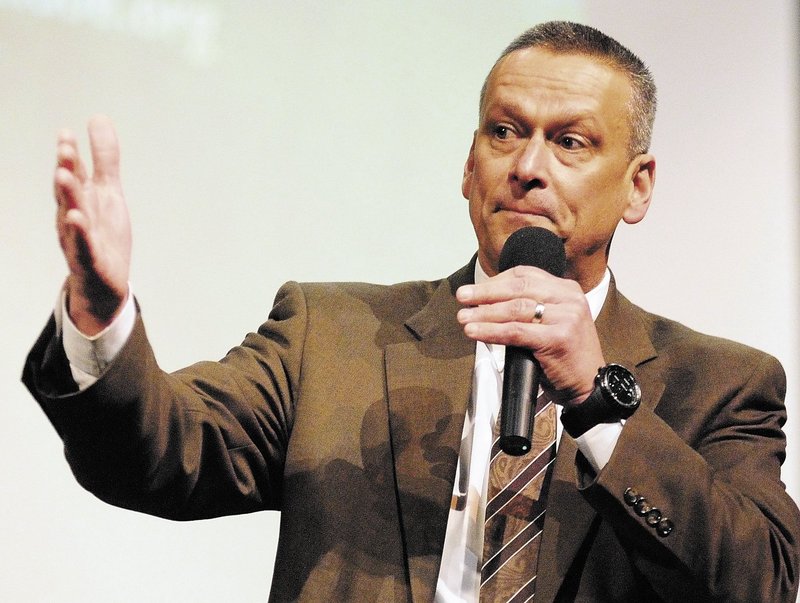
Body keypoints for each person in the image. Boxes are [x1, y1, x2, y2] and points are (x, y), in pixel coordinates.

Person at [23, 20, 800, 602]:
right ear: (468, 165)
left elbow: (759, 582)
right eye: (505, 132)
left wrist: (600, 402)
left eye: (570, 142)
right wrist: (101, 315)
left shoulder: (721, 385)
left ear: (638, 185)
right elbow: (158, 455)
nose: (527, 166)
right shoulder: (332, 336)